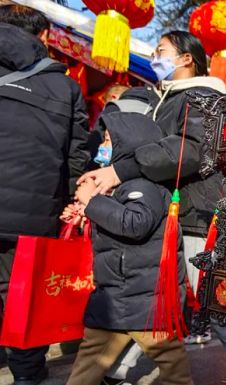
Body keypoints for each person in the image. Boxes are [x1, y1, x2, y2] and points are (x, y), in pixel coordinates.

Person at [77, 31, 226, 385]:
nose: (155, 56)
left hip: (195, 214)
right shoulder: (168, 98)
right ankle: (118, 370)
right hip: (162, 210)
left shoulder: (203, 97)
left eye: (161, 51)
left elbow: (188, 151)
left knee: (210, 298)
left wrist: (120, 170)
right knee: (149, 297)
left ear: (186, 58)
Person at [62, 116, 192, 385]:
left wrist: (92, 203)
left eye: (109, 139)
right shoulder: (126, 185)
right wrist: (85, 211)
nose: (103, 144)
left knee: (172, 368)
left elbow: (135, 223)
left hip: (140, 301)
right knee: (88, 366)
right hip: (119, 297)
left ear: (128, 144)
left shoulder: (143, 185)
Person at [0, 5, 90, 384]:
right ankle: (26, 375)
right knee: (20, 295)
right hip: (34, 215)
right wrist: (66, 204)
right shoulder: (65, 86)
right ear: (42, 39)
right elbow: (77, 156)